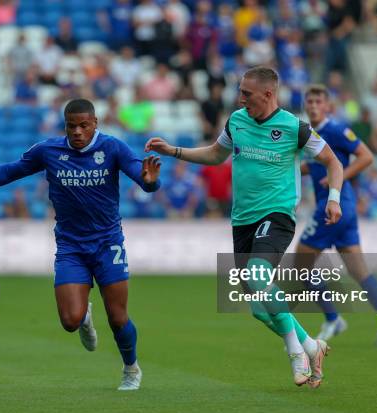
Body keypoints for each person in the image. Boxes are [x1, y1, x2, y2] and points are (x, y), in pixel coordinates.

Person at [0, 99, 161, 391]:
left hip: (107, 243)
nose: (77, 131)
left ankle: (131, 368)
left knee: (117, 317)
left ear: (95, 124)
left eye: (83, 125)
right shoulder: (48, 150)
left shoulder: (113, 148)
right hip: (71, 247)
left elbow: (144, 177)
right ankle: (84, 317)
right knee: (69, 321)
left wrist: (151, 183)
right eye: (71, 126)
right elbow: (9, 171)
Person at [145, 66, 343, 388]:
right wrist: (174, 152)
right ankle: (311, 344)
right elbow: (214, 154)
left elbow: (333, 162)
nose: (241, 99)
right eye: (240, 92)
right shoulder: (236, 121)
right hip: (242, 220)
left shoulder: (295, 128)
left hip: (277, 215)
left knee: (257, 274)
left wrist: (334, 198)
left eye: (246, 94)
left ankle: (296, 352)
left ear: (268, 94)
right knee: (258, 308)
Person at [297, 84, 377, 347]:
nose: (312, 105)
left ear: (328, 107)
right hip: (344, 210)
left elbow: (366, 156)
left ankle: (333, 319)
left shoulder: (334, 131)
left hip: (332, 208)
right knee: (359, 271)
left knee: (300, 267)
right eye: (309, 101)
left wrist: (340, 175)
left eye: (318, 101)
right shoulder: (311, 134)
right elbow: (313, 167)